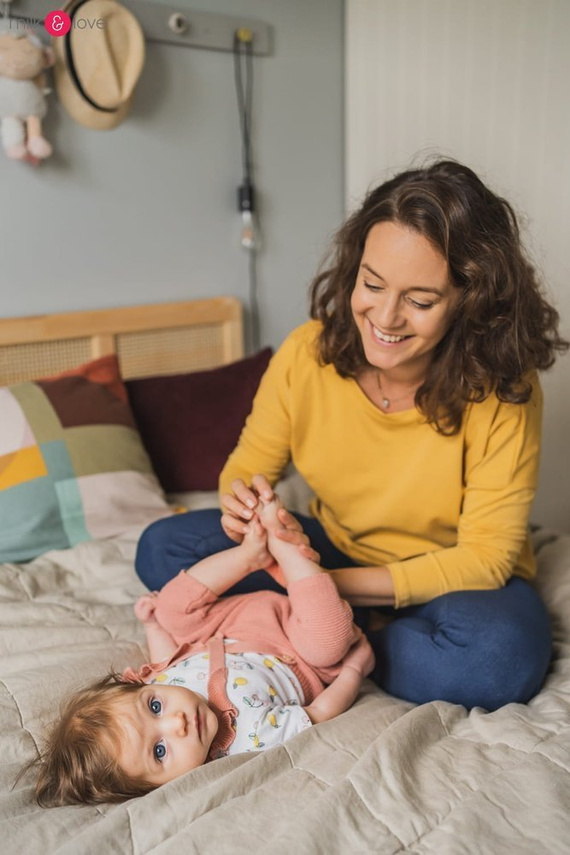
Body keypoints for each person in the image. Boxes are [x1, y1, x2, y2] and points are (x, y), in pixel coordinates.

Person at [136, 158, 568, 712]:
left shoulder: (505, 389)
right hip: (326, 548)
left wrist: (319, 586)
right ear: (354, 270)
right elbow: (249, 465)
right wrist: (242, 508)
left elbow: (486, 558)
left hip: (446, 575)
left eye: (420, 300)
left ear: (471, 301)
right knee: (161, 548)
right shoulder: (306, 352)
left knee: (495, 663)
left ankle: (336, 636)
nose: (384, 316)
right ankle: (324, 626)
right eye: (372, 283)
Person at [33, 497, 374, 806]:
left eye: (154, 706)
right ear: (160, 788)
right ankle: (290, 556)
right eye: (160, 750)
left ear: (142, 688)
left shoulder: (165, 684)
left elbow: (163, 663)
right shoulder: (249, 739)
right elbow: (320, 713)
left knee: (169, 609)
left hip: (241, 620)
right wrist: (355, 671)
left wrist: (153, 625)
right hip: (300, 652)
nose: (176, 722)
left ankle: (250, 556)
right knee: (327, 645)